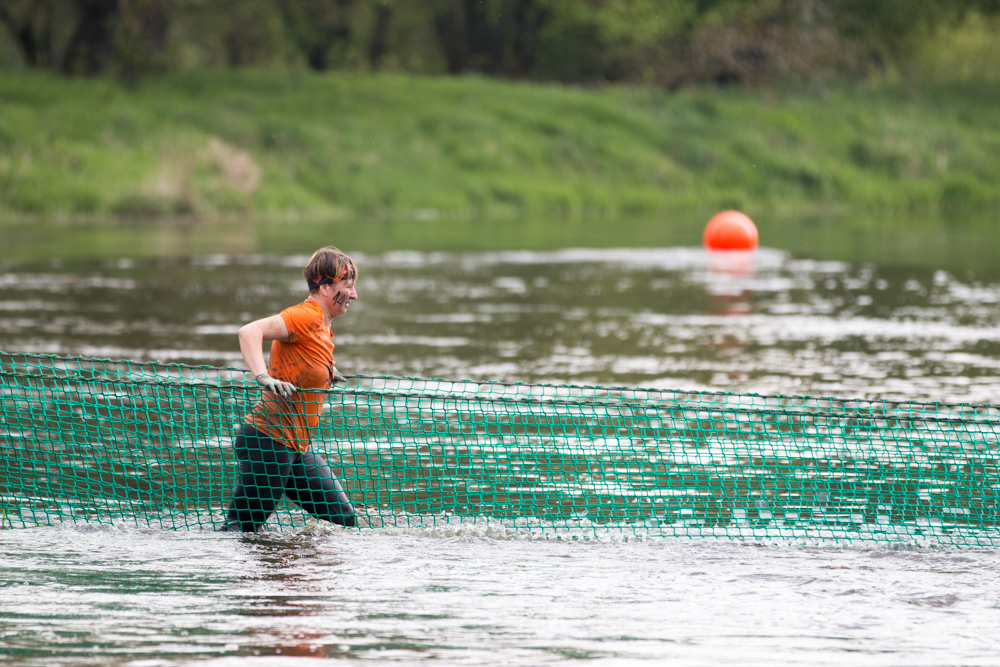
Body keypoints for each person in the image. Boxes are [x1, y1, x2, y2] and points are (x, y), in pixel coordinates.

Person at [217, 246, 358, 532]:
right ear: (327, 286)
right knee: (241, 529)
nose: (353, 295)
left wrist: (328, 372)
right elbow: (249, 331)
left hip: (297, 446)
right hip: (268, 440)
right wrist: (262, 376)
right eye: (348, 287)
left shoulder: (323, 326)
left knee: (343, 518)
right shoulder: (305, 316)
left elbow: (301, 362)